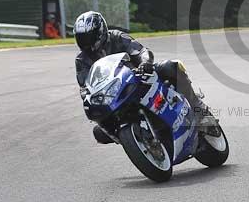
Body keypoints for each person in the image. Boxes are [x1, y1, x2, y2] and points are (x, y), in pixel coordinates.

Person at [73, 11, 215, 144]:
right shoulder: (81, 60)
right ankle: (134, 139)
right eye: (82, 39)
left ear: (100, 32)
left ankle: (199, 109)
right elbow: (85, 85)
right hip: (113, 95)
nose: (87, 43)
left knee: (171, 66)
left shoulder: (117, 36)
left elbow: (140, 51)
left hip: (140, 76)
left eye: (89, 38)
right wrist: (88, 97)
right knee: (99, 131)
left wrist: (145, 62)